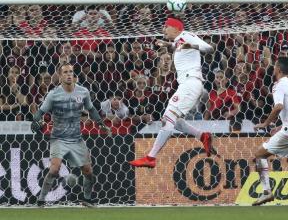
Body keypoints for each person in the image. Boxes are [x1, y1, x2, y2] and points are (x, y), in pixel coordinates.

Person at [129, 17, 216, 168]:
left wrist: (191, 45)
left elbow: (209, 49)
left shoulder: (187, 36)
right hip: (188, 84)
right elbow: (180, 46)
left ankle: (151, 157)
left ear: (176, 28)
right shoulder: (179, 39)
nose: (163, 30)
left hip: (191, 83)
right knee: (173, 120)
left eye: (166, 27)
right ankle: (202, 136)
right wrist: (167, 44)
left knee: (167, 118)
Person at [31, 63, 111, 207]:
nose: (69, 75)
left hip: (76, 138)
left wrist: (100, 123)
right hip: (58, 138)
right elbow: (41, 112)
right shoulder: (53, 94)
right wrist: (35, 120)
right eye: (66, 72)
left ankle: (87, 199)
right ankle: (41, 200)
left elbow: (91, 109)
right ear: (60, 76)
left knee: (88, 171)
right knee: (54, 169)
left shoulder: (83, 92)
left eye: (71, 72)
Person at [251, 56, 288, 206]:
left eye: (274, 66)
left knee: (259, 154)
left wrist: (265, 124)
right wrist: (280, 127)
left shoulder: (278, 85)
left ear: (278, 69)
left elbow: (278, 107)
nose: (273, 68)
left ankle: (266, 192)